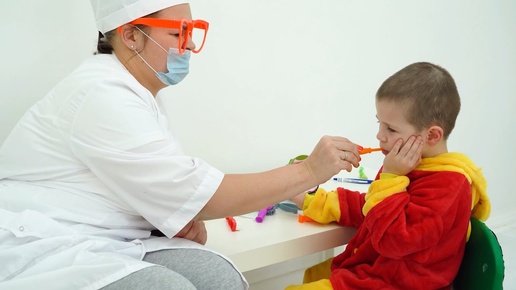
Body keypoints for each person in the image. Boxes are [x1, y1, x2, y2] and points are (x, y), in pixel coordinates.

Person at [0, 1, 362, 289]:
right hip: (43, 243)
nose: (189, 43)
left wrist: (171, 218)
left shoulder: (138, 94)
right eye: (180, 32)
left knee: (220, 278)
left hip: (109, 239)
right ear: (130, 36)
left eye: (193, 30)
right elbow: (201, 196)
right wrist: (309, 171)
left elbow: (170, 189)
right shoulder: (101, 95)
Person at [286, 62, 491, 290]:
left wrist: (392, 178)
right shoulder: (406, 167)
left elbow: (394, 241)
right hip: (374, 269)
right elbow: (371, 208)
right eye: (379, 123)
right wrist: (311, 200)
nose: (379, 136)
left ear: (432, 136)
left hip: (397, 283)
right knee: (314, 273)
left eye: (391, 129)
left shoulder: (448, 186)